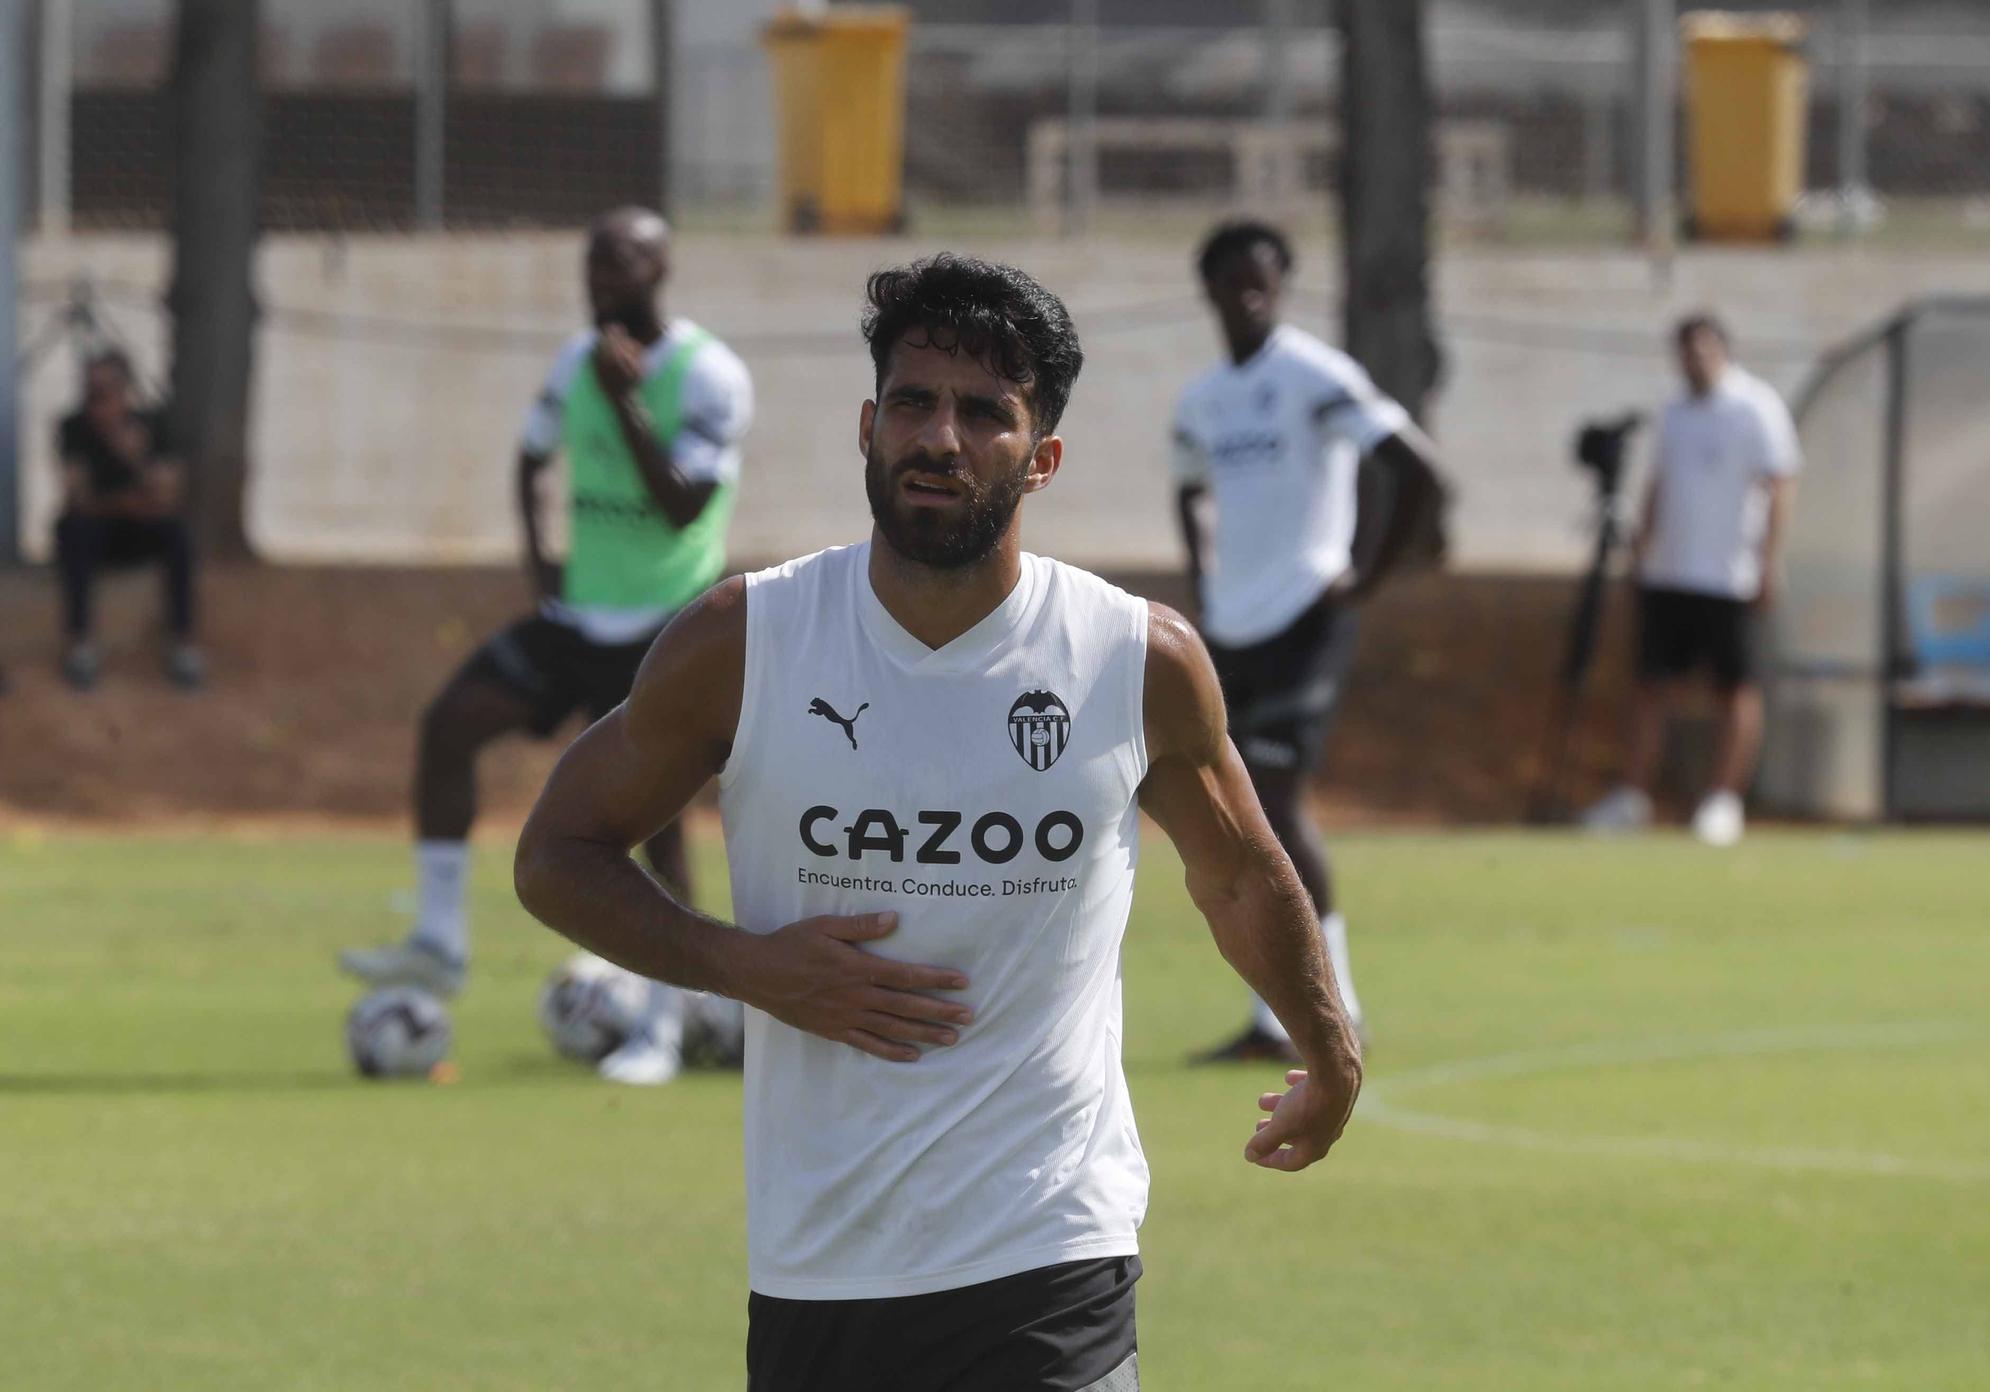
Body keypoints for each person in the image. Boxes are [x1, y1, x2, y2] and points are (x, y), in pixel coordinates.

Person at [513, 253, 1364, 1391]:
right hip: (821, 1263)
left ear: (1042, 457)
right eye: (912, 403)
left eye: (983, 414)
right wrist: (742, 966)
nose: (940, 439)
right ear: (867, 426)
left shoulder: (1131, 658)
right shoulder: (747, 640)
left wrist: (1330, 1049)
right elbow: (555, 855)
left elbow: (1240, 879)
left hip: (1049, 1246)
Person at [341, 206, 753, 1085]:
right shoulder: (575, 362)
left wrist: (630, 403)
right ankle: (442, 941)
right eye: (594, 262)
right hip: (577, 618)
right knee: (451, 724)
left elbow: (684, 504)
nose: (602, 279)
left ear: (660, 271)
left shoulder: (709, 373)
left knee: (657, 825)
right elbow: (530, 460)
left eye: (623, 263)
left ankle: (663, 1026)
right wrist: (542, 572)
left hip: (664, 626)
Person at [1172, 220, 1447, 1063]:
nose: (1251, 294)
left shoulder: (1315, 375)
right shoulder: (1203, 400)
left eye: (1266, 279)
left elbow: (1419, 471)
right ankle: (1272, 1019)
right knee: (1239, 822)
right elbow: (1190, 492)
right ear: (1210, 292)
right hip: (1233, 628)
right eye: (1234, 280)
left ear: (1282, 287)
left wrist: (1362, 578)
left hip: (1307, 618)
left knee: (1280, 800)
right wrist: (1204, 583)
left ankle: (1338, 1011)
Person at [1582, 313, 1801, 847]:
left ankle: (1723, 801)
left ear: (1723, 350)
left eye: (1704, 349)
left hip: (1729, 575)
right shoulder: (1674, 411)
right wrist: (1643, 552)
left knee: (1734, 690)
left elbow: (1781, 484)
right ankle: (1633, 797)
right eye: (1686, 351)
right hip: (1670, 572)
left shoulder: (1756, 406)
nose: (1694, 360)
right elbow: (1659, 483)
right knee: (1649, 686)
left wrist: (1769, 562)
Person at [53, 349, 203, 691]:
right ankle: (80, 645)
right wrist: (132, 502)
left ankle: (183, 644)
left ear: (125, 391)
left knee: (177, 533)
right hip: (98, 532)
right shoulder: (73, 428)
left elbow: (169, 495)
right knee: (74, 530)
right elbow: (77, 498)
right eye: (90, 392)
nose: (96, 402)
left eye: (104, 392)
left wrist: (133, 457)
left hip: (139, 531)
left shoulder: (154, 426)